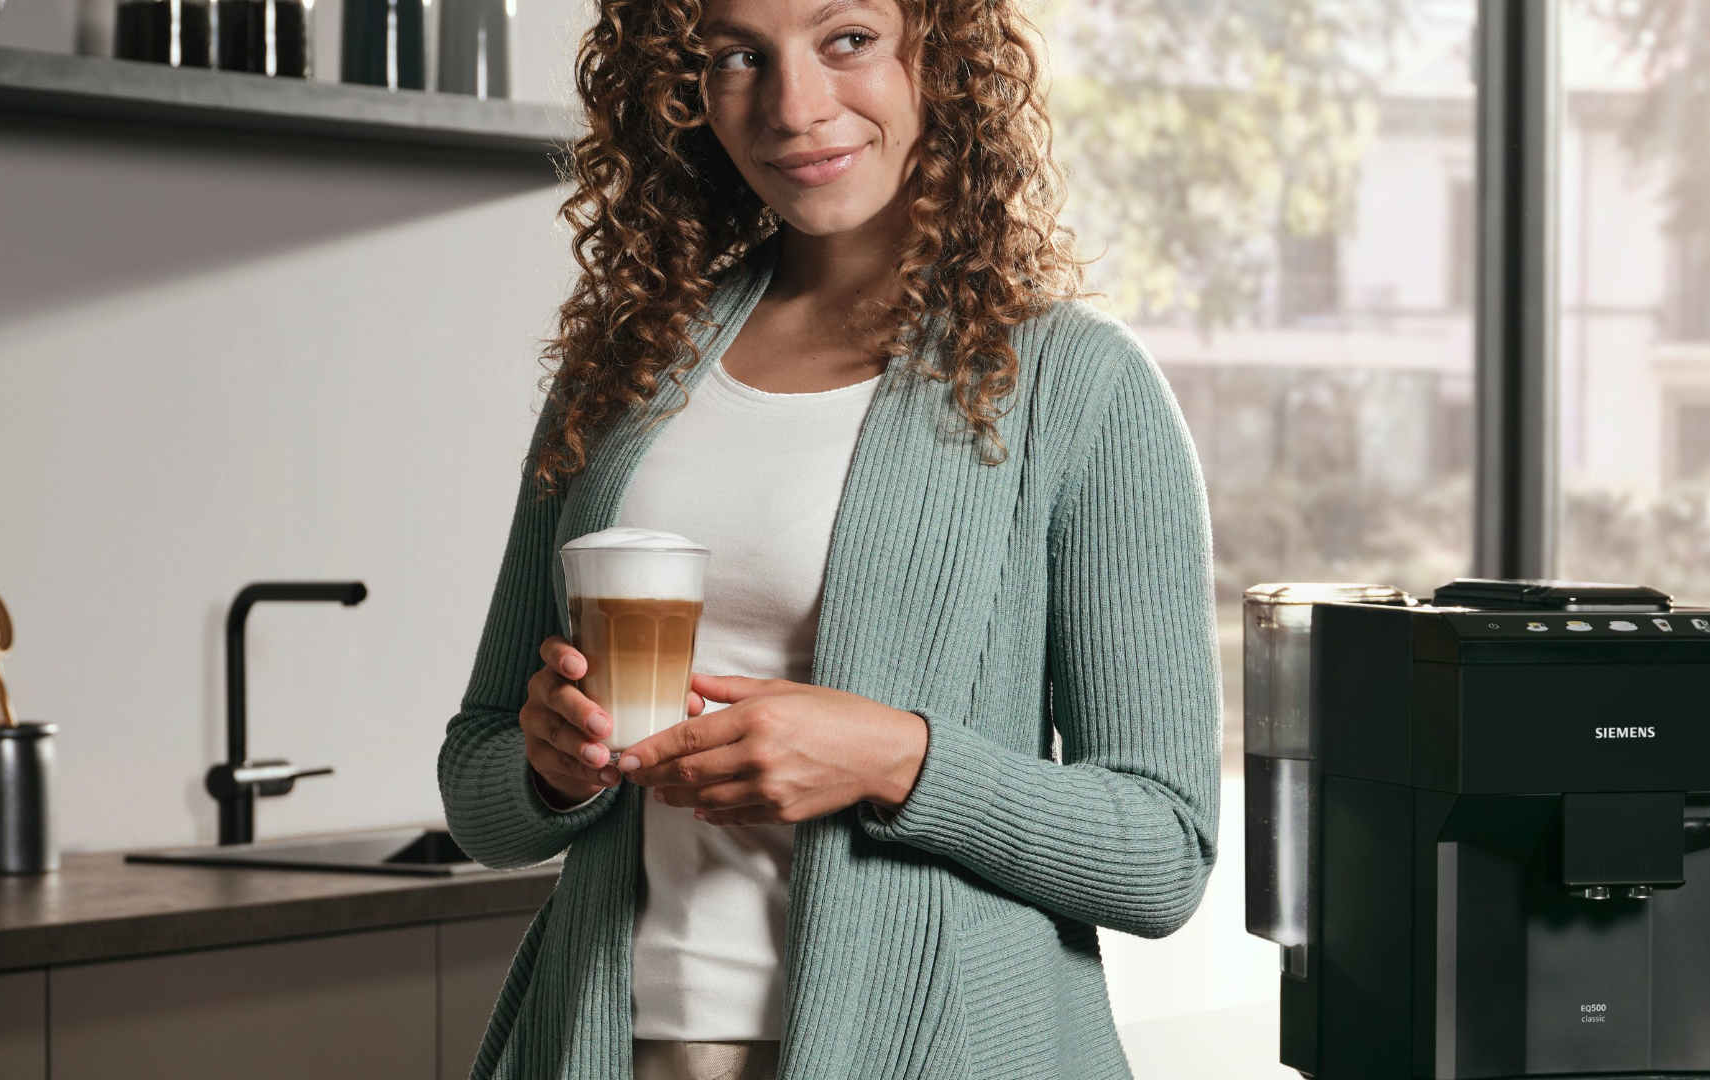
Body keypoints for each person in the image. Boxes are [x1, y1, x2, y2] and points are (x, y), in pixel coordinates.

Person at [434, 0, 1223, 1076]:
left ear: (937, 54)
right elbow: (481, 779)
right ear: (684, 89)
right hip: (616, 1044)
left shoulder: (1076, 387)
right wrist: (551, 772)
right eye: (736, 57)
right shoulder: (628, 367)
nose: (795, 107)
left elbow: (1161, 854)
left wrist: (892, 759)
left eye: (846, 38)